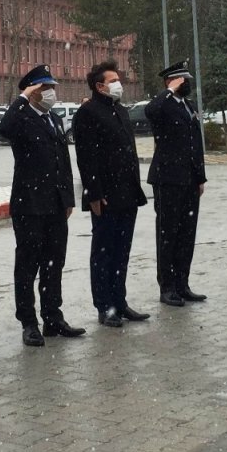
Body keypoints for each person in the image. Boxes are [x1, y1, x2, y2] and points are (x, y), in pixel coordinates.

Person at [0, 64, 85, 346]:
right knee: (28, 264)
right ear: (33, 91)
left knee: (54, 262)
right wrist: (22, 97)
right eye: (44, 88)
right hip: (30, 204)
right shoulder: (21, 119)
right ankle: (28, 321)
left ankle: (53, 316)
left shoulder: (54, 119)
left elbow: (63, 161)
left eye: (52, 88)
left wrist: (68, 198)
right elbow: (4, 130)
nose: (51, 93)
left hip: (56, 204)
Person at [73, 60, 149, 328]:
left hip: (127, 193)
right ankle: (105, 306)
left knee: (122, 251)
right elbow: (86, 157)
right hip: (105, 196)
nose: (119, 84)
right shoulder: (88, 113)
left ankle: (120, 300)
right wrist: (94, 192)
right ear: (99, 85)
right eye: (113, 79)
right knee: (104, 252)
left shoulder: (120, 110)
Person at [145, 60, 207, 307]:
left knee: (186, 234)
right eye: (182, 79)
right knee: (168, 233)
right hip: (168, 179)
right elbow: (151, 110)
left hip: (190, 179)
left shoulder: (188, 106)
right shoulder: (163, 105)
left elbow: (196, 144)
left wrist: (200, 177)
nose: (186, 83)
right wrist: (169, 90)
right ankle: (167, 286)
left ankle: (183, 283)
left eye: (187, 79)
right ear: (170, 81)